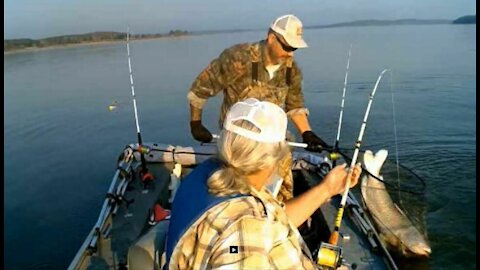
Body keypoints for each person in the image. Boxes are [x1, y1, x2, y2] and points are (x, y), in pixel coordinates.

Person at [166, 98, 361, 269]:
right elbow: (246, 236)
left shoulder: (212, 175)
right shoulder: (245, 227)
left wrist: (328, 188)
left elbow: (273, 221)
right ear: (275, 157)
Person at [187, 14, 330, 202]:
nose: (290, 53)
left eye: (294, 48)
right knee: (238, 194)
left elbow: (294, 105)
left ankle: (278, 218)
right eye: (287, 47)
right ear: (271, 38)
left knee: (280, 195)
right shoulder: (238, 58)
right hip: (241, 146)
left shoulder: (290, 70)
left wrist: (307, 133)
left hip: (275, 145)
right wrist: (195, 123)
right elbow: (200, 90)